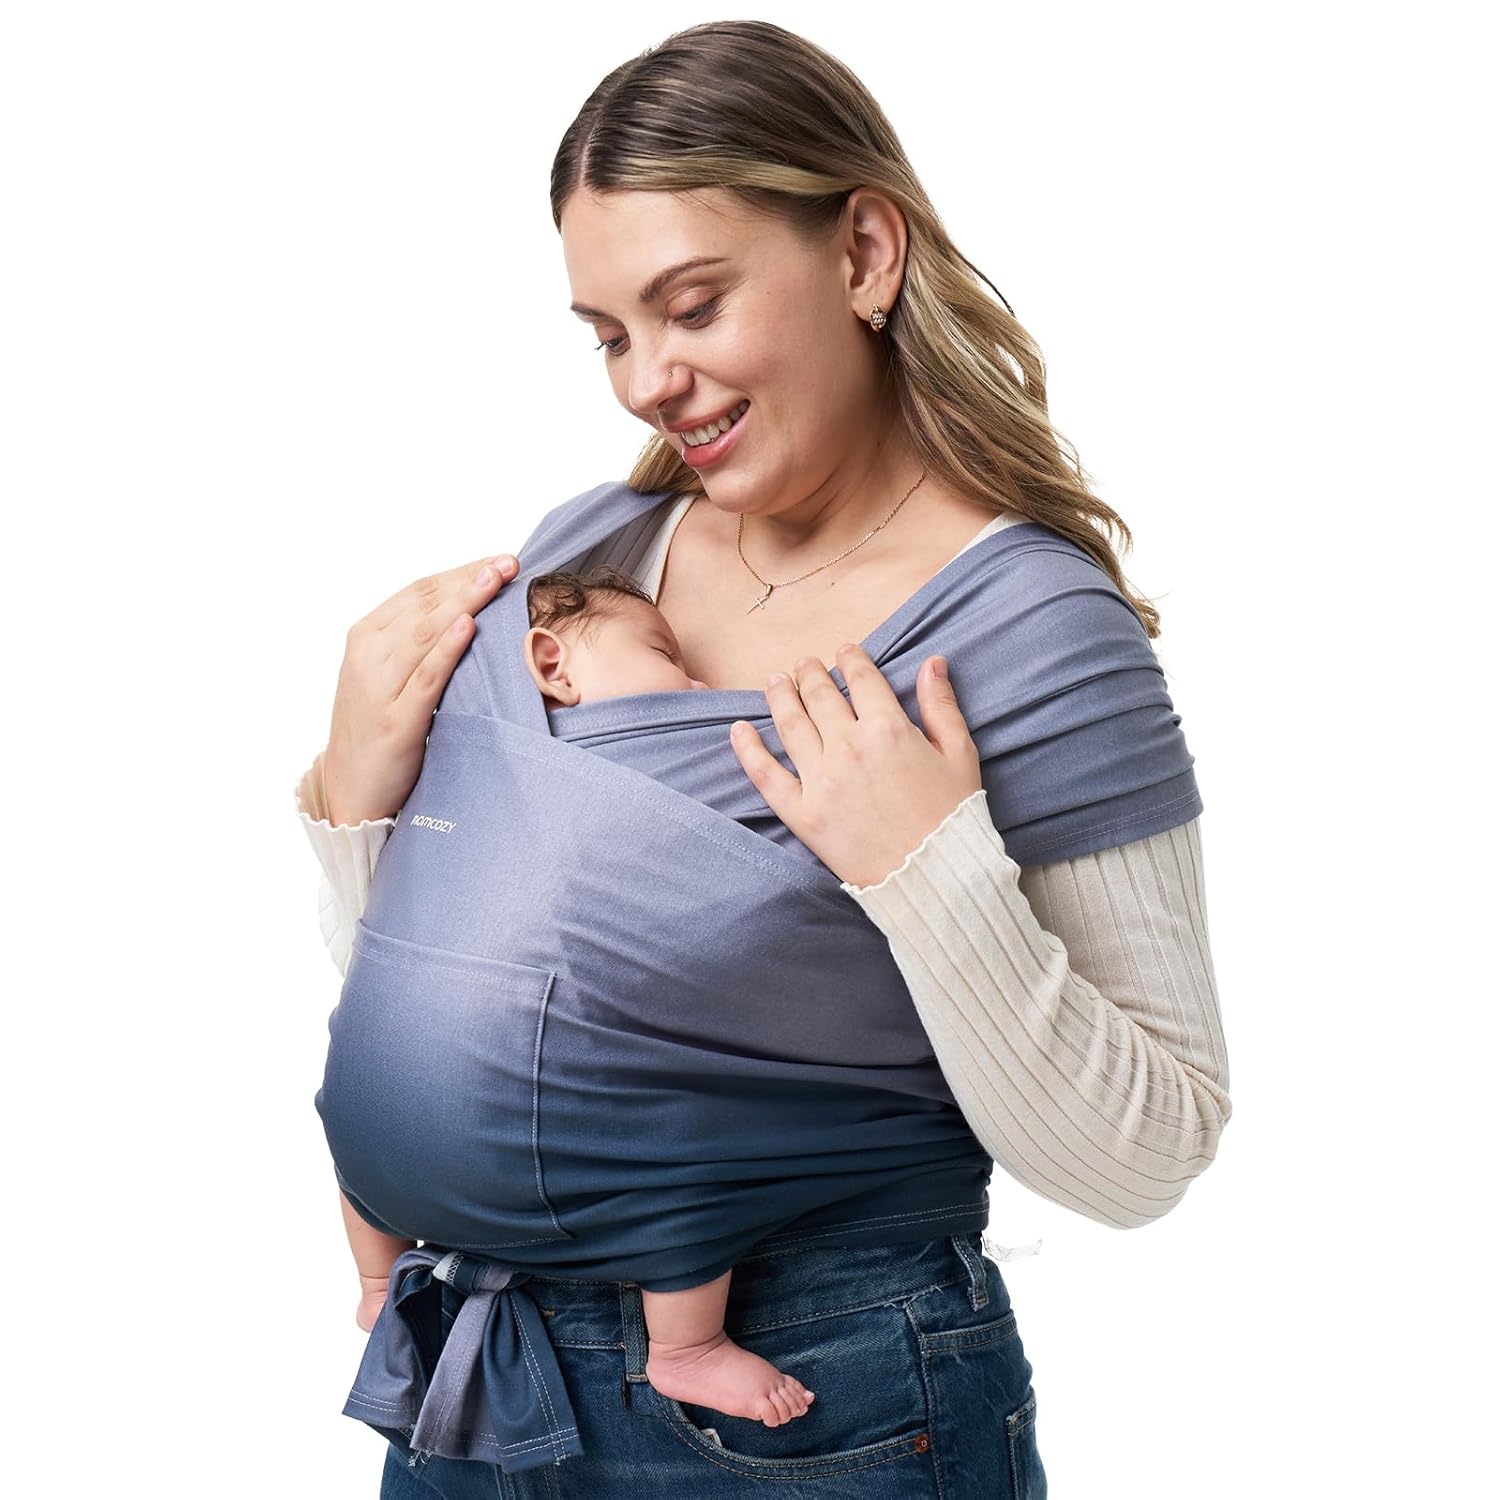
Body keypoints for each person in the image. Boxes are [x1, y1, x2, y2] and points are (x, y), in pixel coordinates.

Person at [296, 19, 1232, 1497]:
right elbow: (482, 1002)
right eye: (609, 334)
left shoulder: (1031, 630)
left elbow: (1149, 1154)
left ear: (864, 252)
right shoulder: (592, 556)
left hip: (820, 1400)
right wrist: (353, 802)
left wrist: (928, 874)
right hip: (477, 1375)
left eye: (692, 306)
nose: (644, 382)